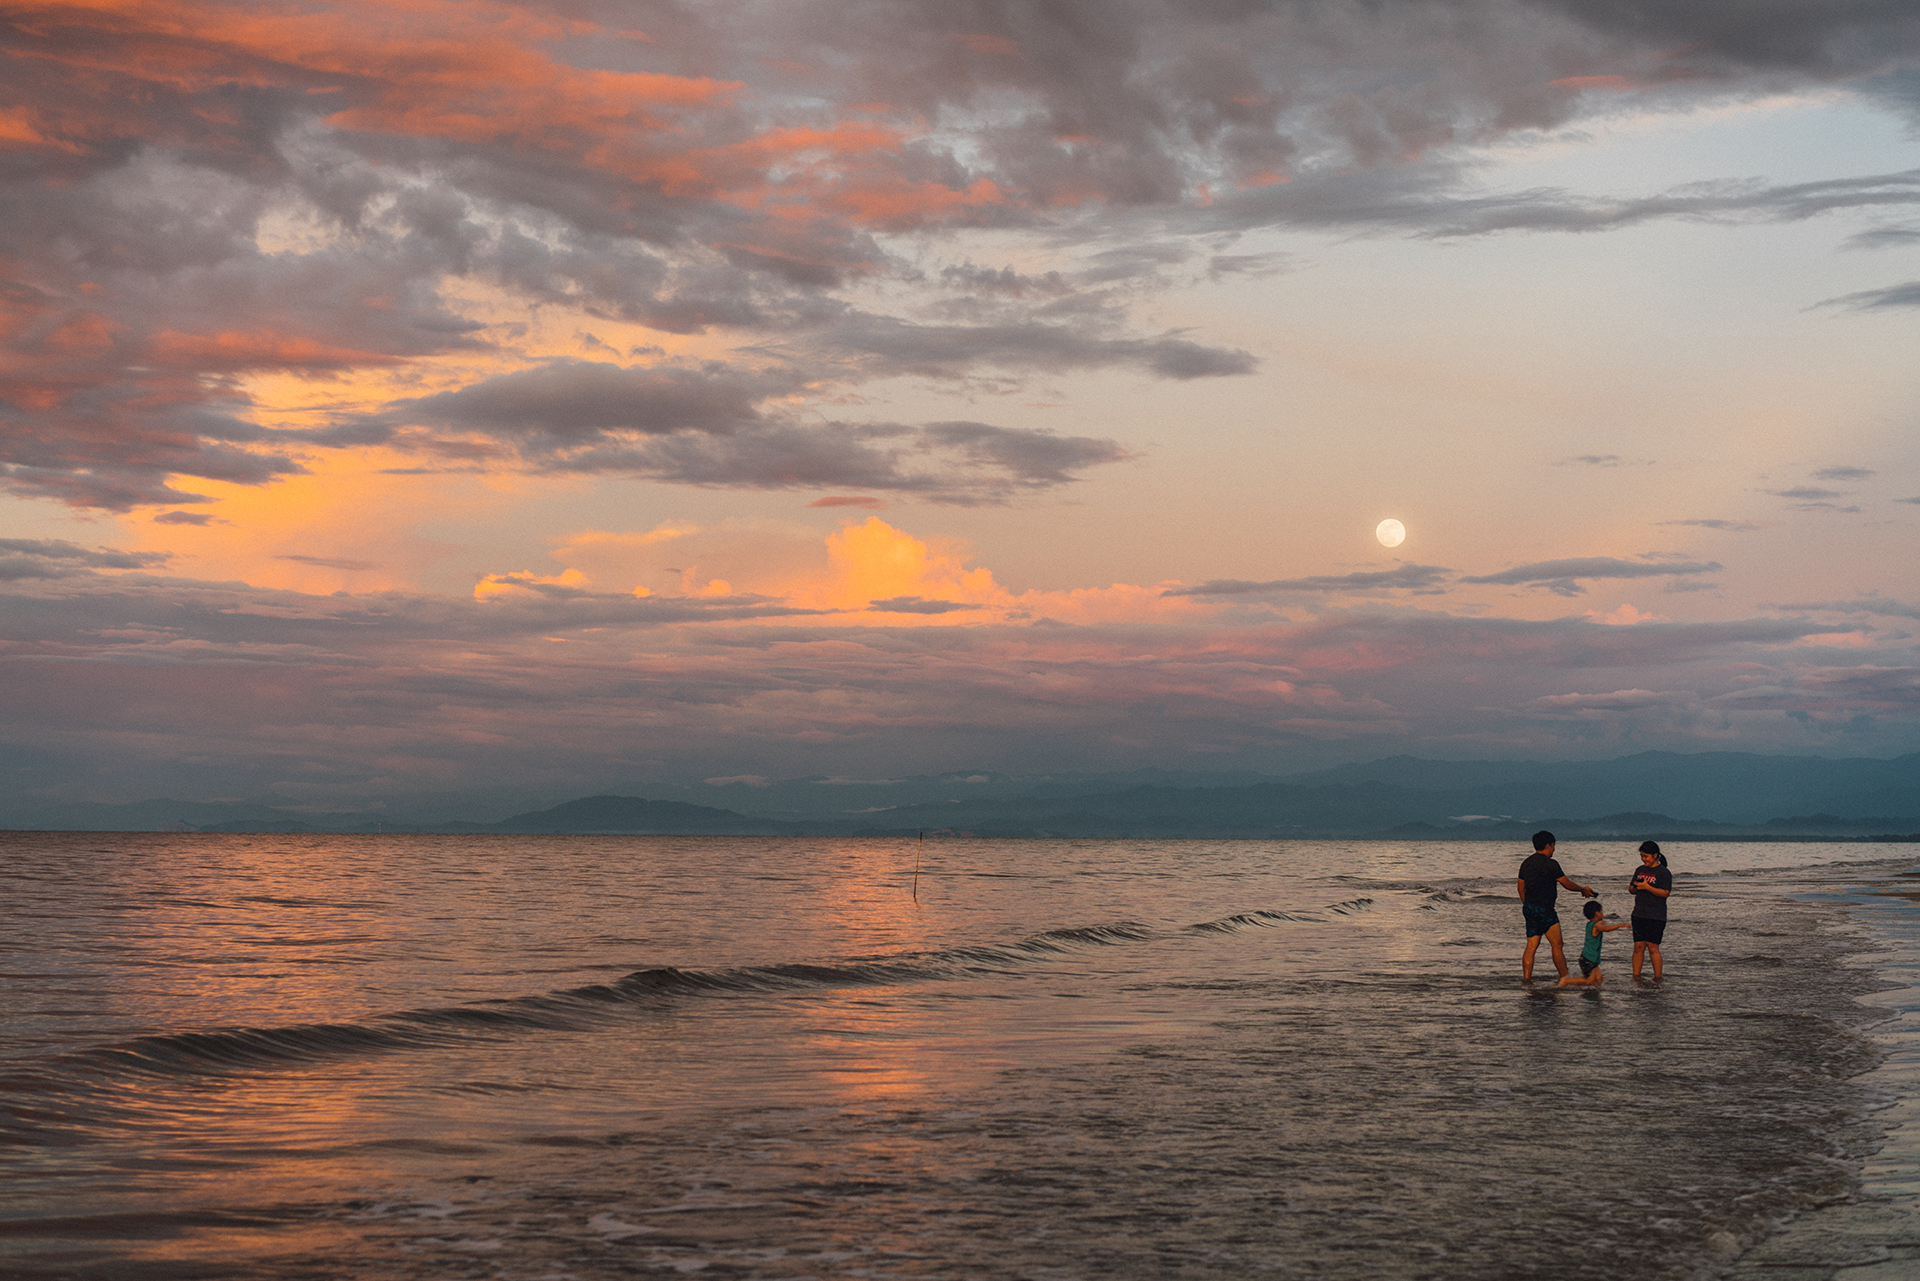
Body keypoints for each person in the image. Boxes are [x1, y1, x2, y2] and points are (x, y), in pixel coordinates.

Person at [1519, 830, 1596, 982]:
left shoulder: (1526, 863)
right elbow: (1566, 884)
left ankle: (1527, 979)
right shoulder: (1551, 864)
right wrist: (1583, 889)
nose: (1554, 850)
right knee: (1557, 944)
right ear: (1548, 845)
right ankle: (1565, 978)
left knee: (1531, 946)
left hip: (1529, 908)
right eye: (1553, 846)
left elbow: (1520, 888)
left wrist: (1527, 904)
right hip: (1546, 910)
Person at [1558, 899, 1630, 986]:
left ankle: (1594, 993)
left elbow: (1599, 930)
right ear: (1597, 913)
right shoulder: (1595, 925)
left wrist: (1602, 924)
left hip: (1590, 958)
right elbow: (1605, 929)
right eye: (1601, 911)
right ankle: (1566, 981)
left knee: (1599, 979)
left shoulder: (1590, 924)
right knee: (1589, 981)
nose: (1603, 913)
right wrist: (1621, 925)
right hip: (1589, 959)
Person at [1630, 840, 1673, 979]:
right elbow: (1631, 889)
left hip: (1656, 915)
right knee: (1638, 947)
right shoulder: (1640, 870)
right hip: (1639, 914)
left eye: (1646, 856)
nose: (1643, 859)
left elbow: (1666, 893)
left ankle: (1658, 978)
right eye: (1641, 856)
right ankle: (1636, 976)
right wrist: (1636, 887)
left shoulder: (1663, 872)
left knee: (1653, 947)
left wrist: (1648, 887)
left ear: (1655, 855)